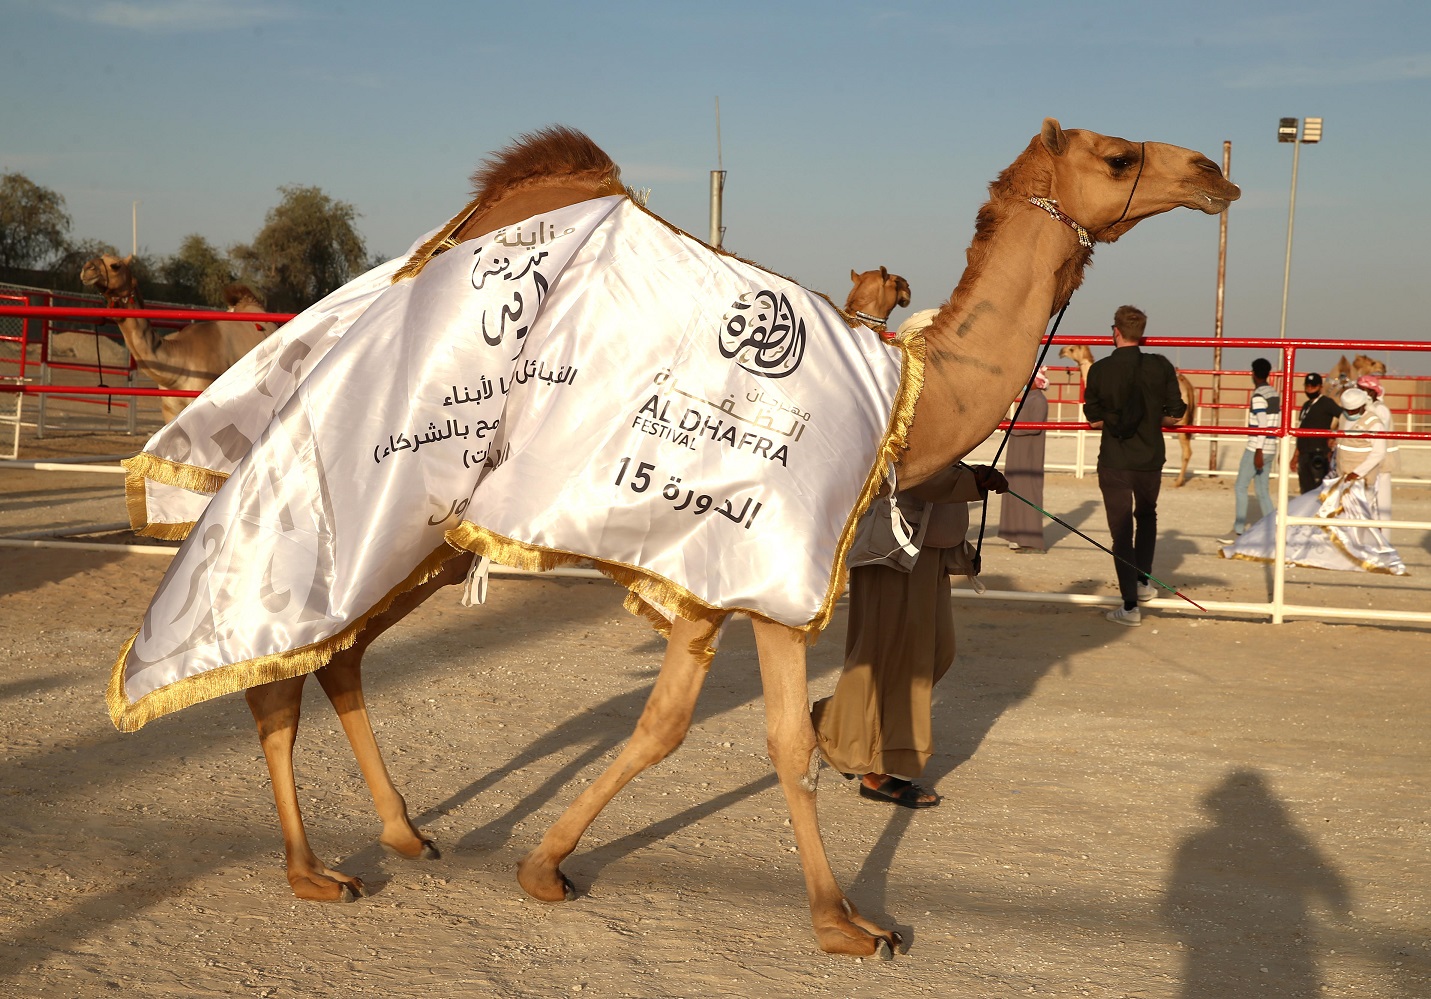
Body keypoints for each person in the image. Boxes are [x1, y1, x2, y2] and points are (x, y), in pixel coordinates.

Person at [813, 461, 1008, 807]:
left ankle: (836, 726)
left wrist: (971, 476)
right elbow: (913, 465)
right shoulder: (902, 405)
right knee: (897, 663)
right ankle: (882, 771)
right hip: (893, 548)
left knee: (936, 654)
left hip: (929, 551)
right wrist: (970, 481)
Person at [1221, 387, 1404, 574]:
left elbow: (1378, 452)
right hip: (1341, 476)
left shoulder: (1374, 423)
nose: (1349, 414)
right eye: (1347, 410)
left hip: (1361, 480)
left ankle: (1362, 553)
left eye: (1352, 411)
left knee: (1360, 516)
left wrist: (1357, 473)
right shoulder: (1343, 418)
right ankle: (1339, 553)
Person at [1082, 305, 1187, 627]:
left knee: (1121, 531)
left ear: (1115, 331)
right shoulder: (1160, 365)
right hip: (1150, 458)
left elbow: (1094, 418)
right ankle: (1143, 583)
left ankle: (1129, 607)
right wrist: (1152, 419)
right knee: (1147, 516)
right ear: (1141, 333)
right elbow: (1176, 412)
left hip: (1115, 459)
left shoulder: (1100, 370)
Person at [1220, 358, 1280, 543]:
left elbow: (1262, 423)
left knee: (1241, 486)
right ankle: (1274, 530)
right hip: (1271, 446)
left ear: (1253, 374)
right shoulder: (1273, 392)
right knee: (1262, 490)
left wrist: (1259, 450)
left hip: (1257, 447)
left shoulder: (1259, 396)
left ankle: (1238, 530)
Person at [999, 366, 1049, 553]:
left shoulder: (1039, 401)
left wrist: (1009, 426)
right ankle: (1015, 536)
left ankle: (1031, 540)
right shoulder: (1030, 399)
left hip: (1028, 456)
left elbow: (1033, 427)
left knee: (1028, 494)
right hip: (1018, 452)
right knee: (1014, 490)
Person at [1355, 374, 1398, 521]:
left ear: (1371, 392)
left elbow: (1377, 437)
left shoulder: (1380, 410)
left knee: (1381, 507)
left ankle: (1382, 541)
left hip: (1382, 464)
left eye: (1361, 389)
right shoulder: (1368, 409)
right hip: (1370, 464)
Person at [1293, 372, 1341, 495]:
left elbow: (1344, 417)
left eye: (1313, 386)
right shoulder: (1306, 405)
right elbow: (1301, 430)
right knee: (1305, 490)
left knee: (1318, 491)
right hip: (1304, 453)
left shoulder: (1326, 403)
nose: (1309, 389)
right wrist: (1296, 456)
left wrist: (1333, 435)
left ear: (1320, 387)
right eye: (1307, 386)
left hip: (1318, 453)